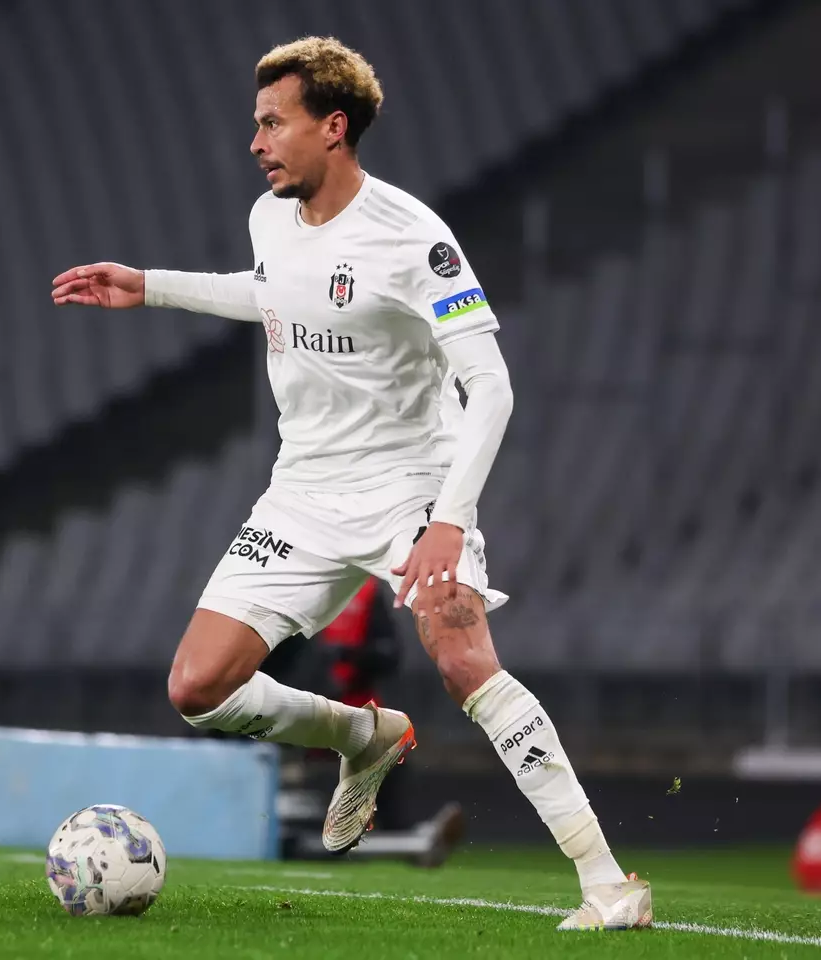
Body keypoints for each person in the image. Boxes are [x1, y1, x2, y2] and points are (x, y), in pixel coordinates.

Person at [52, 37, 650, 930]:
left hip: (411, 488)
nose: (256, 142)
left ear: (333, 127)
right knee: (197, 688)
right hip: (301, 490)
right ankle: (363, 735)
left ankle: (609, 885)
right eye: (255, 124)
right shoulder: (270, 218)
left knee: (460, 654)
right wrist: (153, 288)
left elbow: (492, 385)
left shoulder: (413, 238)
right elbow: (276, 294)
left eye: (271, 123)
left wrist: (449, 520)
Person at [275, 577, 465, 868]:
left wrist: (350, 657)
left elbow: (389, 653)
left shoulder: (365, 593)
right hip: (300, 713)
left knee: (389, 759)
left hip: (350, 711)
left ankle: (400, 838)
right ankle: (403, 842)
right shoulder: (295, 588)